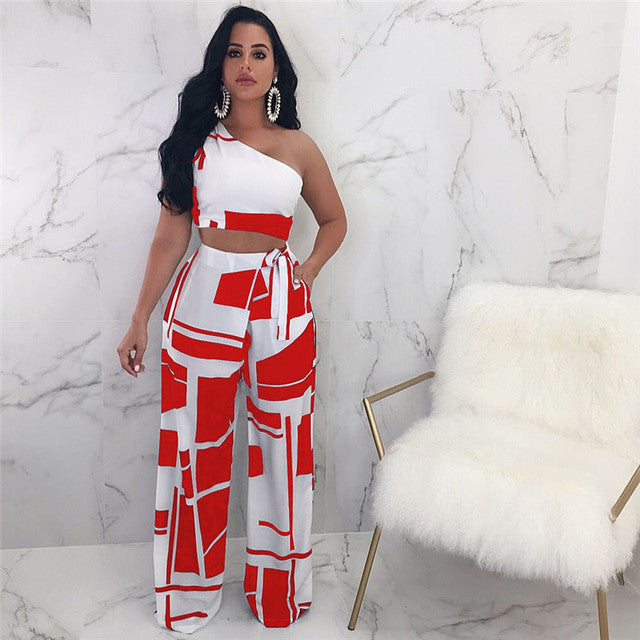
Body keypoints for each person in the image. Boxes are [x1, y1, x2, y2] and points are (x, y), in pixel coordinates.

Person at [115, 5, 346, 634]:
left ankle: (279, 594)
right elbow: (170, 237)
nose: (246, 64)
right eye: (235, 52)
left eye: (259, 53)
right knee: (195, 448)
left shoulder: (299, 147)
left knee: (283, 448)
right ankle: (188, 597)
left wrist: (307, 270)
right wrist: (139, 318)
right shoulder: (196, 145)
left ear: (276, 69)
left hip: (280, 309)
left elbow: (334, 220)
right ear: (220, 64)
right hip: (202, 302)